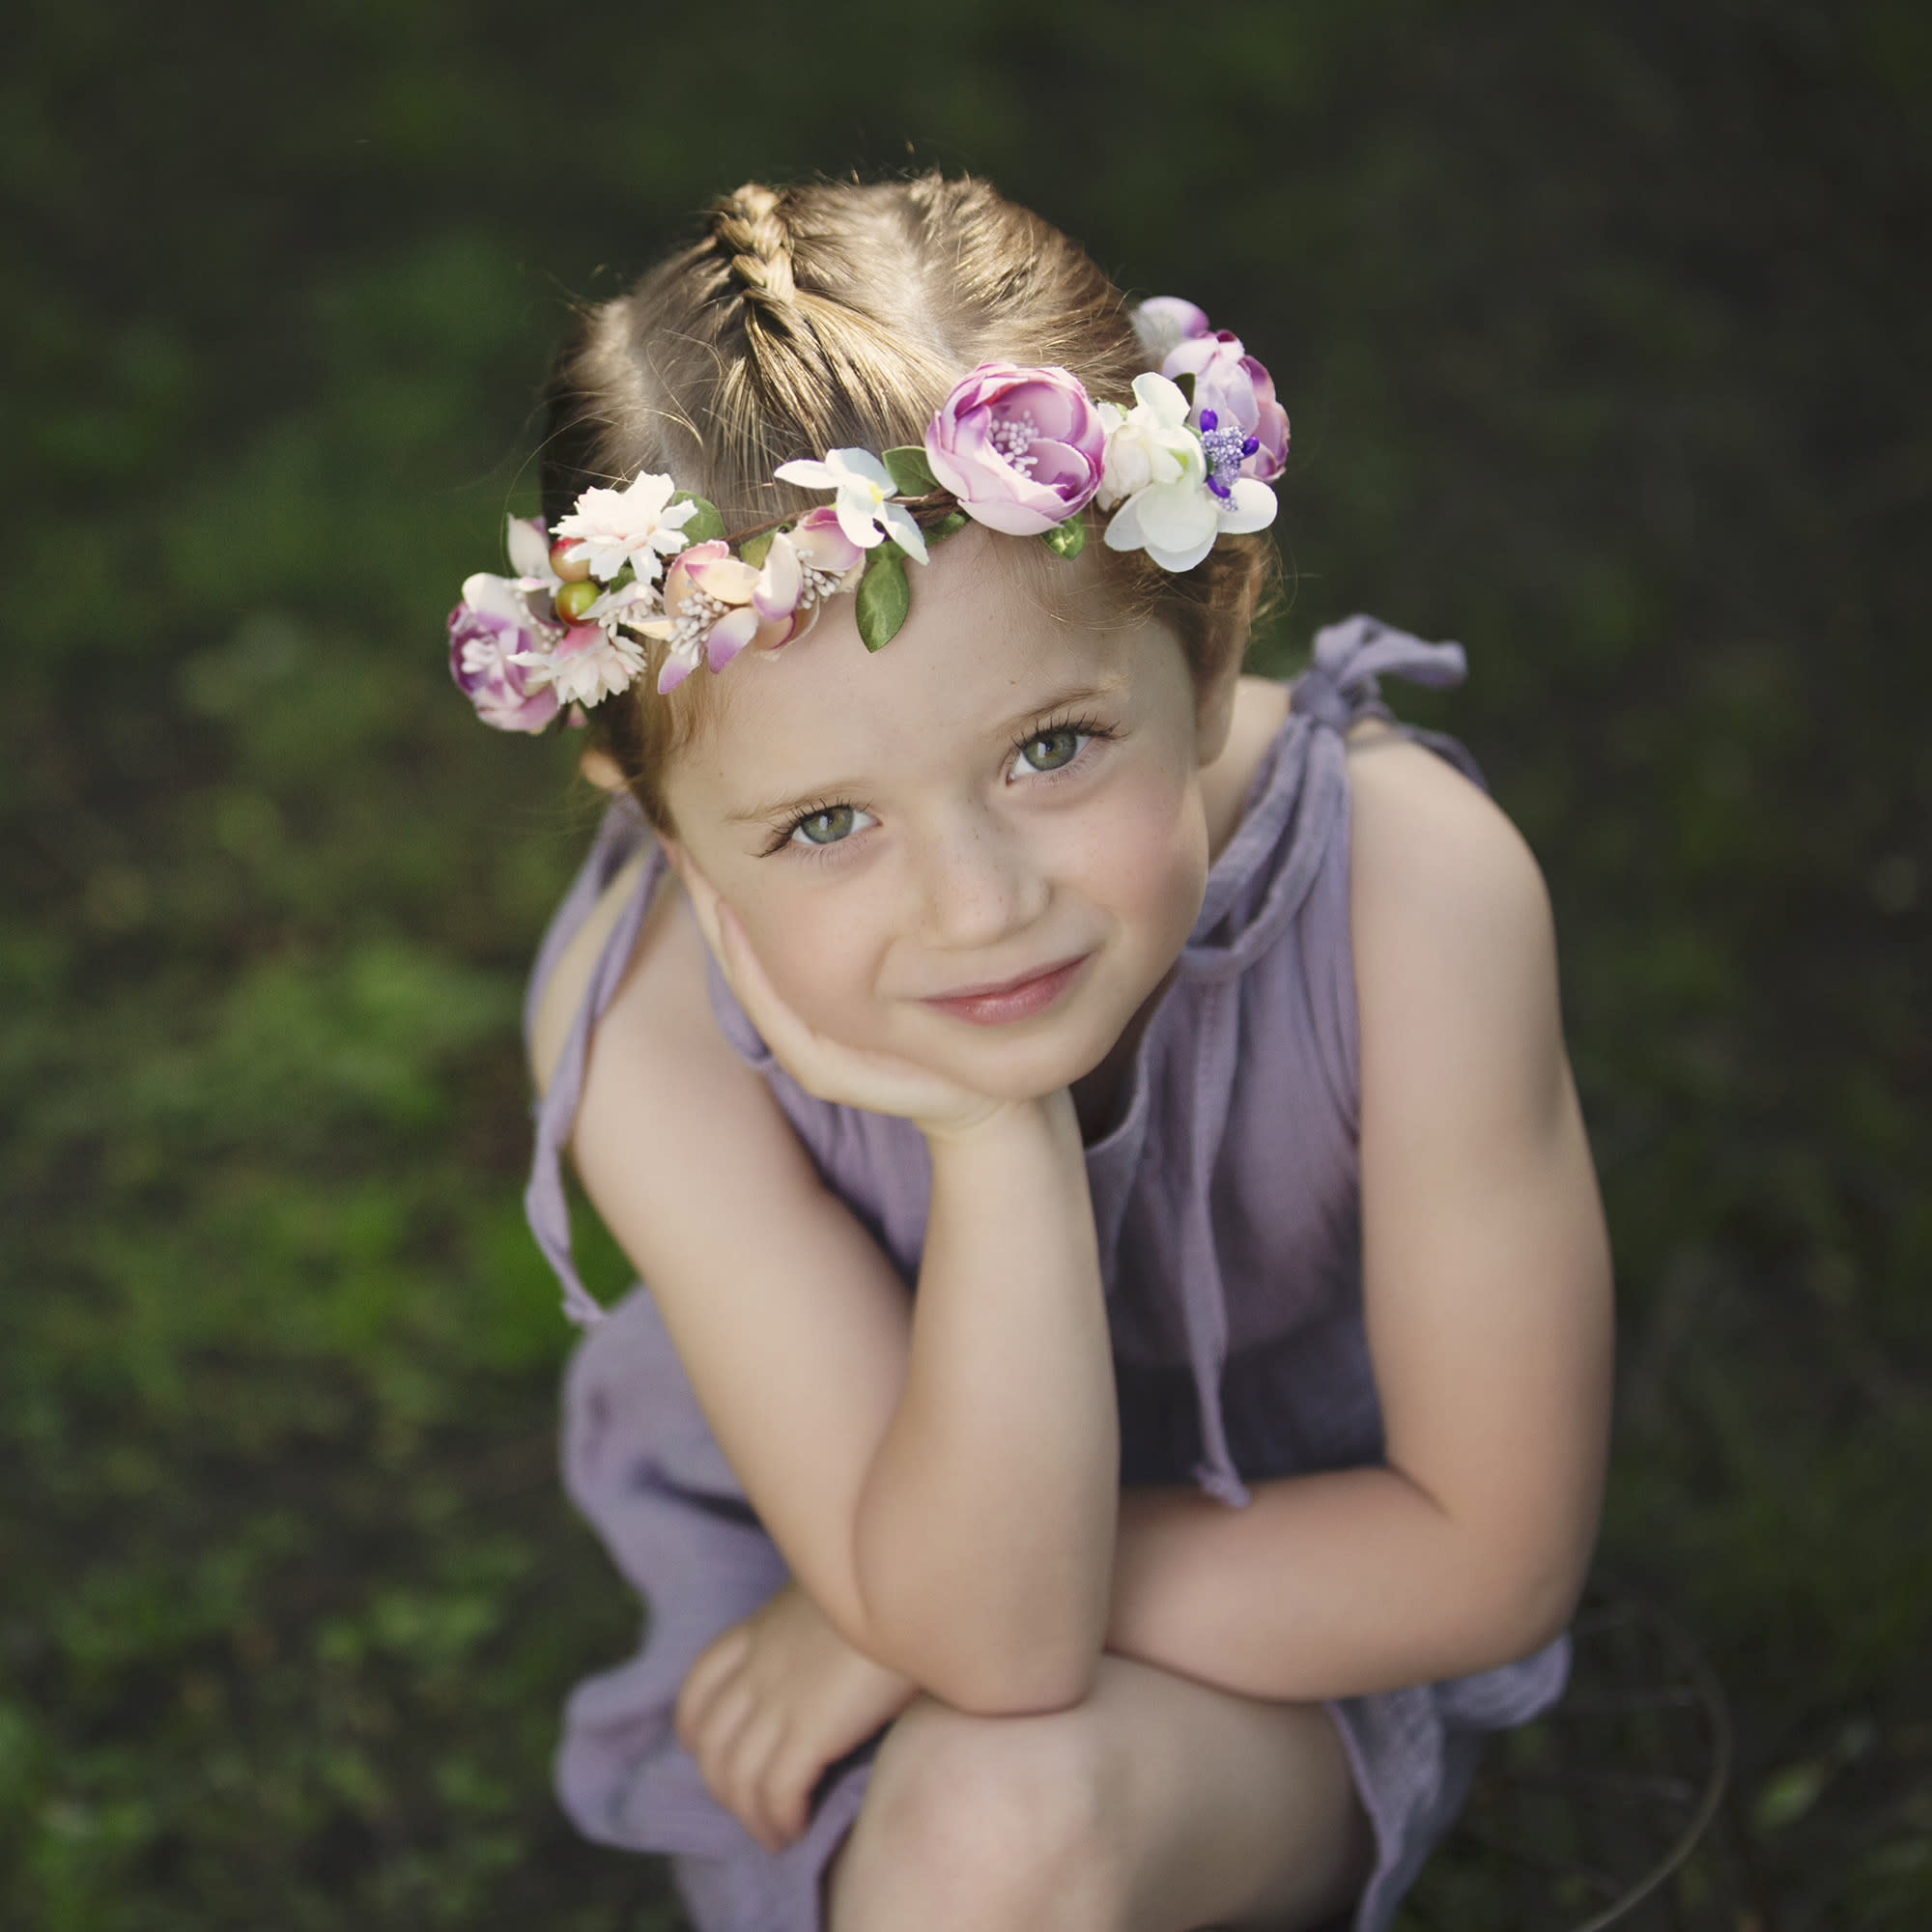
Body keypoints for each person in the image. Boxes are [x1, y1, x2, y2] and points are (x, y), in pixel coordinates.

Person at [446, 174, 1615, 1932]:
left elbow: (1484, 1559)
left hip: (1292, 1619)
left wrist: (889, 1621)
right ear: (667, 837)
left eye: (1051, 749)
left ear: (1207, 656)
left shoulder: (1413, 900)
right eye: (826, 822)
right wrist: (994, 1134)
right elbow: (986, 1639)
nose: (979, 907)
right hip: (870, 1590)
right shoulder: (643, 1032)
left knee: (1002, 1828)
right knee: (971, 1819)